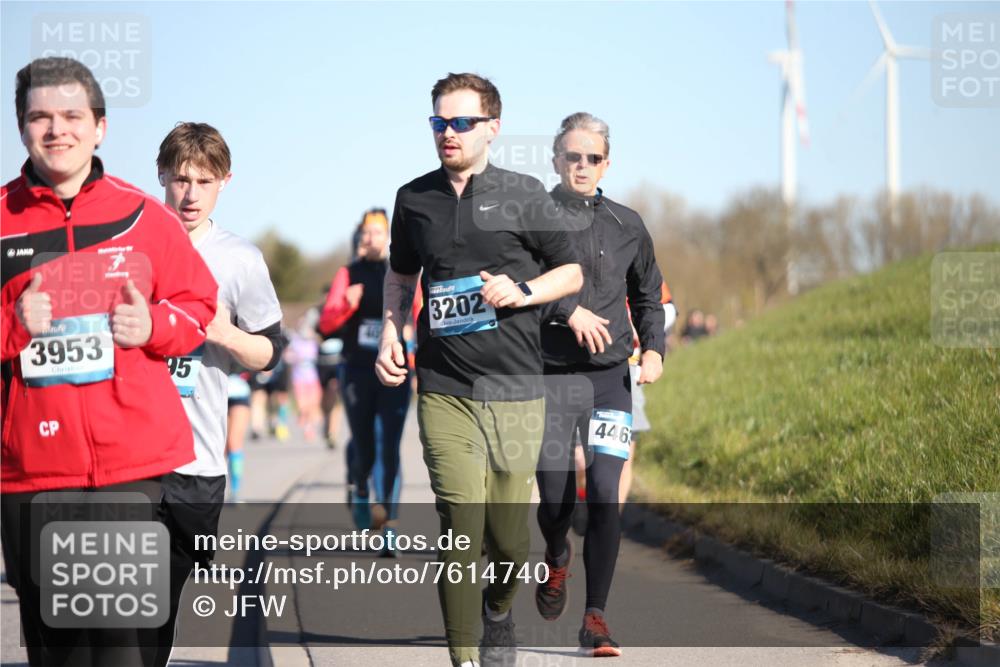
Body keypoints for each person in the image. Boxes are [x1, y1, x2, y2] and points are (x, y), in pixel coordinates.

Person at [0, 57, 217, 667]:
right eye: (40, 117)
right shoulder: (0, 220)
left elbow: (198, 304)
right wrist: (13, 326)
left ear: (99, 127)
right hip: (32, 471)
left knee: (121, 646)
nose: (56, 130)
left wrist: (155, 325)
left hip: (128, 466)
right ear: (21, 128)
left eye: (72, 116)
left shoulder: (145, 216)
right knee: (59, 650)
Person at [375, 73, 582, 667]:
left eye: (461, 122)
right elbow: (399, 277)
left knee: (511, 544)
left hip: (517, 388)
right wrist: (392, 330)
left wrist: (521, 290)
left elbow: (569, 273)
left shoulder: (523, 193)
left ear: (492, 128)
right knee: (461, 525)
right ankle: (464, 657)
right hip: (445, 389)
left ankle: (498, 609)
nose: (448, 132)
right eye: (439, 121)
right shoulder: (414, 199)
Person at [534, 112, 666, 657]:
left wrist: (655, 347)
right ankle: (557, 555)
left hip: (612, 379)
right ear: (556, 159)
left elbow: (648, 294)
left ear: (605, 164)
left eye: (592, 157)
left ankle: (596, 618)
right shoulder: (531, 218)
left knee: (607, 493)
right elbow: (519, 286)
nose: (581, 165)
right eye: (572, 156)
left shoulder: (628, 223)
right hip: (549, 376)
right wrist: (570, 312)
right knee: (555, 496)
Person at [153, 122, 285, 665]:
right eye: (181, 179)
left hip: (197, 458)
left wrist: (223, 331)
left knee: (164, 598)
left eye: (203, 181)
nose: (190, 194)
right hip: (130, 454)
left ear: (224, 182)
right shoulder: (129, 243)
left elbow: (268, 353)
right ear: (161, 175)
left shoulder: (240, 259)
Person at [318, 209, 416, 548]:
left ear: (389, 236)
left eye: (376, 231)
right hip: (358, 371)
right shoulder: (349, 273)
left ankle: (389, 523)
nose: (369, 237)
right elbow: (326, 324)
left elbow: (418, 317)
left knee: (390, 447)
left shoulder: (403, 272)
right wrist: (346, 305)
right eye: (365, 231)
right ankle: (360, 487)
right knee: (363, 445)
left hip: (395, 370)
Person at [286, 311, 323, 442]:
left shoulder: (313, 340)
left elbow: (321, 350)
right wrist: (295, 358)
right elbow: (287, 356)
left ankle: (310, 428)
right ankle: (306, 425)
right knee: (303, 405)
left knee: (313, 405)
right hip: (299, 379)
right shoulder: (294, 340)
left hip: (312, 378)